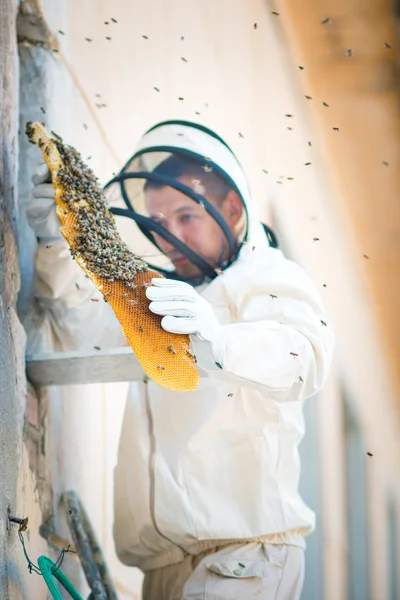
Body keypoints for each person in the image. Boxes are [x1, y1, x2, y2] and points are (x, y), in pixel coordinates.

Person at [27, 120, 335, 600]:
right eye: (159, 220)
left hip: (243, 560)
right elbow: (82, 332)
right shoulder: (169, 297)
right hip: (163, 569)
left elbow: (306, 357)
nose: (169, 235)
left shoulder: (266, 273)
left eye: (186, 215)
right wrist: (54, 242)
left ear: (231, 208)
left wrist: (218, 338)